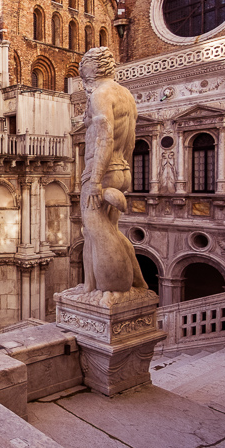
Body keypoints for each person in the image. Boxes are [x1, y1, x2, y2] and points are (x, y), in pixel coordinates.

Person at [79, 47, 147, 294]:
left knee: (94, 229)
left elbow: (105, 137)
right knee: (108, 231)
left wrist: (95, 180)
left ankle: (107, 287)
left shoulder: (101, 93)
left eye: (85, 63)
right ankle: (131, 283)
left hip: (101, 171)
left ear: (95, 66)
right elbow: (131, 140)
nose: (81, 68)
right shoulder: (125, 94)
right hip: (122, 169)